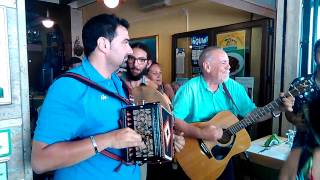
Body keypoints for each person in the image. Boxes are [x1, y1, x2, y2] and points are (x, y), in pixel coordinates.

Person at [31, 14, 145, 179]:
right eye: (125, 42)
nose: (129, 50)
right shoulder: (68, 87)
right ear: (103, 44)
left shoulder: (116, 81)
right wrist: (109, 139)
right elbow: (40, 162)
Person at [173, 46, 295, 180]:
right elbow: (174, 120)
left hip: (223, 156)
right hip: (193, 156)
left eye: (228, 62)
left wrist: (276, 108)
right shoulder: (189, 89)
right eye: (224, 62)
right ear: (207, 67)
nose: (229, 67)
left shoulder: (234, 87)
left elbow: (251, 114)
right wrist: (201, 133)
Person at [280, 39, 320, 180]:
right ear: (315, 55)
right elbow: (289, 113)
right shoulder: (300, 83)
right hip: (301, 147)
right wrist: (294, 118)